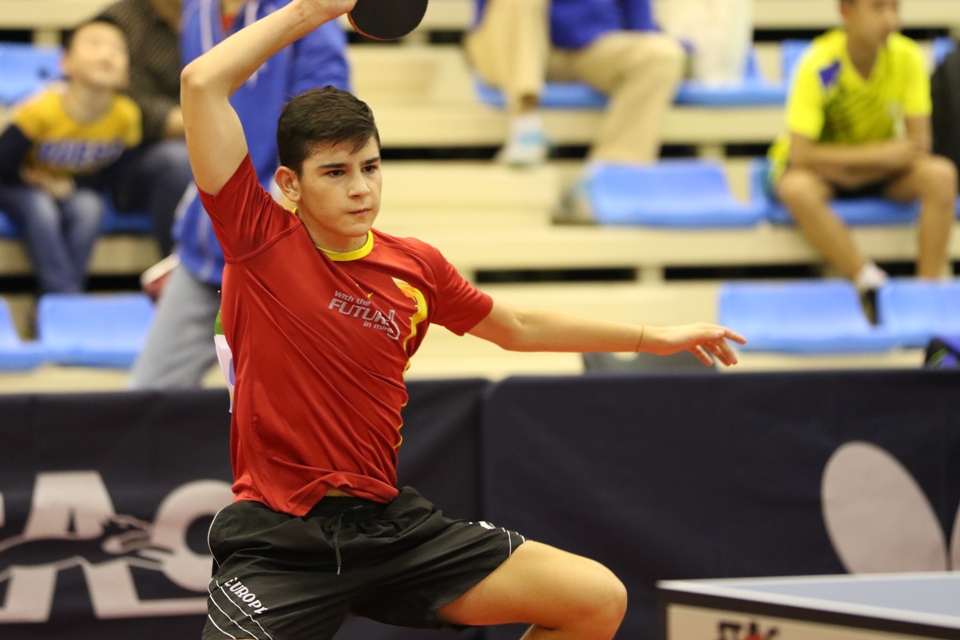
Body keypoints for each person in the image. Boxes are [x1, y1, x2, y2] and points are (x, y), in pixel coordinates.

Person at [181, 1, 746, 638]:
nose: (361, 188)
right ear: (289, 183)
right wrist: (315, 9)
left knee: (595, 599)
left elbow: (518, 327)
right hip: (278, 538)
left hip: (388, 528)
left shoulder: (414, 268)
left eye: (370, 167)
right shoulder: (257, 241)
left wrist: (653, 337)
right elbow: (202, 83)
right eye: (335, 173)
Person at [126, 0, 349, 389]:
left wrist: (262, 223)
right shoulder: (197, 10)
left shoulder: (307, 13)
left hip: (278, 264)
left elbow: (327, 136)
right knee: (145, 401)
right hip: (203, 257)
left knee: (291, 416)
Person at [767, 0, 957, 302]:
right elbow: (801, 155)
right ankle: (868, 280)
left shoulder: (907, 57)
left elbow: (920, 145)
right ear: (846, 10)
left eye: (895, 9)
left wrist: (864, 165)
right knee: (795, 188)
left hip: (876, 174)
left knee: (941, 175)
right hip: (829, 177)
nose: (890, 21)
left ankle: (926, 295)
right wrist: (881, 155)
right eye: (878, 8)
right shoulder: (821, 65)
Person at [464, 0, 685, 219]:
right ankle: (525, 122)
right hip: (508, 41)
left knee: (662, 55)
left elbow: (639, 21)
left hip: (588, 44)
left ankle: (608, 178)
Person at [0, 17, 141, 294]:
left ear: (127, 73)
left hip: (74, 189)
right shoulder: (42, 109)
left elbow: (118, 174)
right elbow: (2, 163)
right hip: (20, 186)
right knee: (41, 209)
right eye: (94, 44)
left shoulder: (127, 116)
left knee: (90, 208)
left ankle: (62, 298)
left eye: (117, 48)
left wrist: (72, 187)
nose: (107, 54)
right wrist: (34, 181)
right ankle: (64, 296)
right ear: (66, 63)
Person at [97, 0, 194, 257]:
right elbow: (126, 103)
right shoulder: (120, 20)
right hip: (133, 160)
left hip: (207, 141)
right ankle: (181, 270)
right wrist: (209, 120)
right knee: (177, 160)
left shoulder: (212, 16)